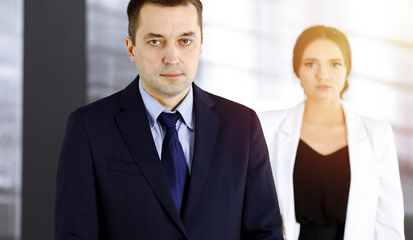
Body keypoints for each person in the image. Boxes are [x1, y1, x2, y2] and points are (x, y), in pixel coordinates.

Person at [55, 0, 283, 239]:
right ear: (131, 48)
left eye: (185, 41)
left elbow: (265, 232)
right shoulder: (89, 128)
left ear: (200, 45)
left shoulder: (242, 126)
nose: (172, 58)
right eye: (155, 41)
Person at [260, 25, 405, 240]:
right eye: (311, 64)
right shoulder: (266, 127)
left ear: (347, 69)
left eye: (335, 64)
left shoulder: (377, 134)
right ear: (297, 69)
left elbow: (388, 224)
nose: (323, 75)